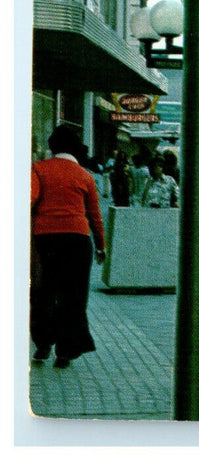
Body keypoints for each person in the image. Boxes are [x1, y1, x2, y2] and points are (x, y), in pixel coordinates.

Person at [30, 124, 107, 368]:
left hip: (46, 239)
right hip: (78, 241)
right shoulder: (85, 176)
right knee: (73, 297)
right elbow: (95, 215)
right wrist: (101, 246)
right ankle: (66, 352)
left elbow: (28, 201)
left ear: (52, 147)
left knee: (43, 293)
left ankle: (43, 343)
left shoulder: (38, 169)